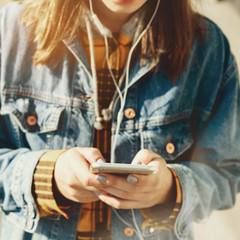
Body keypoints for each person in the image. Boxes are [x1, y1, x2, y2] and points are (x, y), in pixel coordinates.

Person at [0, 0, 240, 239]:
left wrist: (170, 187)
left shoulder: (208, 47)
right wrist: (48, 175)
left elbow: (226, 174)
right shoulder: (10, 31)